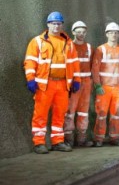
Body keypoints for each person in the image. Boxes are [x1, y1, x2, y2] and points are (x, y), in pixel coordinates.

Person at [24, 11, 80, 154]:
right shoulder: (37, 41)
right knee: (40, 114)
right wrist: (31, 79)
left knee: (59, 114)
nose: (56, 26)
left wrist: (76, 80)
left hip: (62, 85)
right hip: (45, 85)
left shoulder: (68, 43)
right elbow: (30, 61)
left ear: (62, 25)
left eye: (59, 23)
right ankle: (39, 143)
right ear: (48, 24)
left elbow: (74, 63)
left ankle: (57, 141)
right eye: (53, 23)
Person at [91, 22, 119, 146]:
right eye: (111, 32)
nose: (113, 35)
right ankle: (99, 139)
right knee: (101, 114)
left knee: (116, 114)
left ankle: (114, 138)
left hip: (118, 88)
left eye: (116, 33)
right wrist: (97, 85)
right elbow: (95, 68)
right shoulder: (100, 49)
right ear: (107, 34)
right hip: (104, 88)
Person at [64, 21, 94, 147]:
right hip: (73, 82)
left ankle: (81, 139)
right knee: (70, 110)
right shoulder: (69, 46)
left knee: (84, 111)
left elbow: (92, 66)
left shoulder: (89, 47)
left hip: (86, 82)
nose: (81, 34)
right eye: (78, 31)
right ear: (73, 32)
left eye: (83, 32)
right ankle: (68, 139)